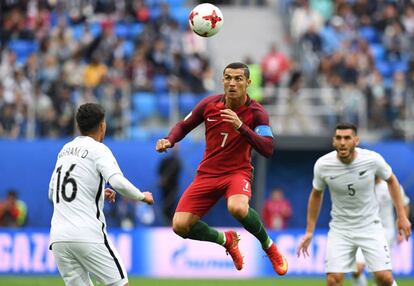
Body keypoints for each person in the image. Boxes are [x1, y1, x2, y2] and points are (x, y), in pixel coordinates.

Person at [155, 62, 288, 275]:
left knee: (237, 207)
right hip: (207, 174)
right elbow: (183, 125)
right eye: (228, 78)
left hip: (237, 172)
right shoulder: (209, 104)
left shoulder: (257, 113)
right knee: (179, 225)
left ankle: (269, 246)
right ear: (222, 80)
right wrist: (169, 140)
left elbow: (268, 148)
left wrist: (241, 127)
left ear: (248, 83)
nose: (232, 83)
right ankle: (226, 240)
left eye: (238, 79)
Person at [49, 103, 154, 286]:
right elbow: (118, 182)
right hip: (87, 235)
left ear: (78, 125)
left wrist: (90, 192)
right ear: (102, 126)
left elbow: (53, 192)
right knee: (120, 284)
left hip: (59, 239)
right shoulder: (99, 149)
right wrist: (141, 196)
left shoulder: (64, 150)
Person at [297, 122, 411, 286]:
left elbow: (392, 180)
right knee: (333, 280)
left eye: (347, 138)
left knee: (384, 278)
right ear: (333, 141)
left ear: (356, 141)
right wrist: (309, 231)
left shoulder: (372, 159)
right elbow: (316, 194)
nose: (342, 142)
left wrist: (401, 216)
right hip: (340, 229)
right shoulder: (323, 165)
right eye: (338, 138)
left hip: (370, 226)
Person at [352, 177, 411, 286]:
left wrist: (402, 228)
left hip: (385, 233)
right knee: (356, 269)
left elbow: (405, 204)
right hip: (364, 232)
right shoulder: (361, 187)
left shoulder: (390, 185)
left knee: (382, 277)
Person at [158, 146, 182, 225]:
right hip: (165, 188)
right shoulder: (165, 161)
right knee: (165, 206)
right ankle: (166, 223)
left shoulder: (178, 162)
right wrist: (163, 179)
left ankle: (171, 222)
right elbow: (159, 171)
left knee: (172, 205)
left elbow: (177, 174)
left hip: (173, 188)